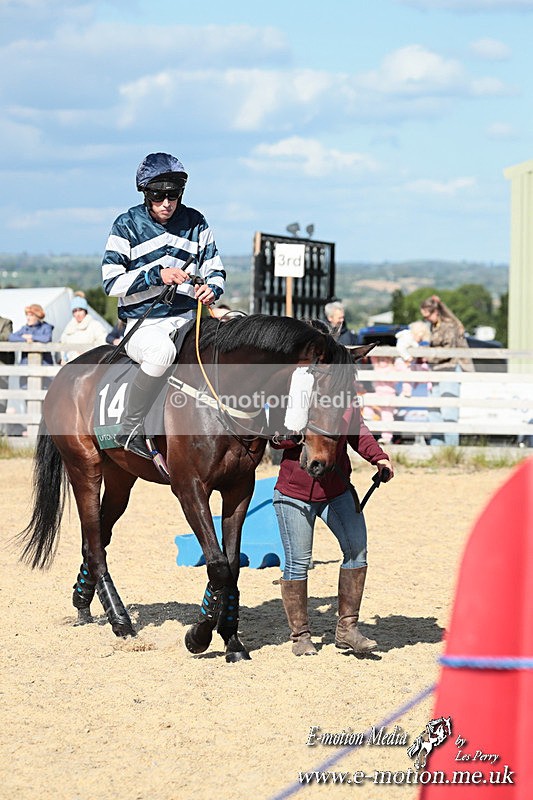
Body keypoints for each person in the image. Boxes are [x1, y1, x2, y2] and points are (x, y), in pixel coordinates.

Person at [101, 152, 226, 459]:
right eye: (159, 196)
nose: (167, 203)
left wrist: (212, 289)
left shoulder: (196, 222)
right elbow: (110, 282)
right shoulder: (126, 224)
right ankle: (130, 428)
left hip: (186, 318)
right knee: (162, 353)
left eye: (173, 195)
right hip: (144, 323)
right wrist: (156, 275)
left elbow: (216, 269)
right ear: (146, 194)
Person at [272, 403, 394, 656]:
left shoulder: (344, 396)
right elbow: (274, 438)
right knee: (298, 562)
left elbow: (357, 430)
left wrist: (378, 457)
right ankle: (301, 636)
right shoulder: (296, 392)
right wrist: (294, 434)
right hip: (293, 494)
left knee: (357, 551)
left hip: (336, 490)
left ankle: (347, 630)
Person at [420, 295, 473, 446]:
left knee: (449, 412)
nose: (427, 319)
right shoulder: (433, 326)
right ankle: (437, 448)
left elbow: (448, 351)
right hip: (436, 370)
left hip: (449, 369)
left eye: (428, 315)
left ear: (436, 312)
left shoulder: (449, 326)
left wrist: (426, 356)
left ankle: (450, 449)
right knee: (434, 411)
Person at [59, 294, 107, 364]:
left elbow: (103, 343)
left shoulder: (95, 325)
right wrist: (64, 358)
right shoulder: (69, 328)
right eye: (75, 311)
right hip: (71, 364)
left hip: (90, 364)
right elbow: (63, 347)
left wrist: (88, 353)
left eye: (80, 310)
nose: (78, 314)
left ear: (85, 311)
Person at [0, 315, 14, 432]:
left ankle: (2, 432)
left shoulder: (6, 322)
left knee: (2, 399)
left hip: (2, 367)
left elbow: (7, 336)